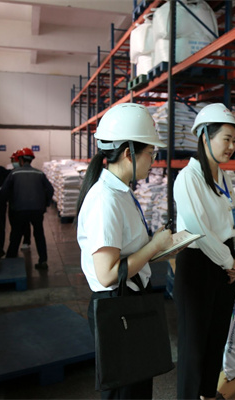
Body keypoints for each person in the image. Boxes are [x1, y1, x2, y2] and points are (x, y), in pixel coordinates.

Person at [76, 103, 173, 399]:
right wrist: (154, 246)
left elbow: (126, 250)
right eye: (150, 154)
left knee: (138, 387)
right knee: (125, 392)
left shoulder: (121, 191)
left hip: (130, 299)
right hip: (117, 305)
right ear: (130, 153)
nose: (153, 161)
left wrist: (158, 246)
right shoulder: (105, 200)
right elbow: (107, 274)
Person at [173, 103, 235, 400]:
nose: (231, 146)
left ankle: (207, 393)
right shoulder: (188, 178)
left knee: (217, 335)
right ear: (205, 136)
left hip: (226, 264)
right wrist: (230, 261)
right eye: (226, 139)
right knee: (193, 342)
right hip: (198, 264)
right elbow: (198, 229)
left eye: (234, 140)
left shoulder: (223, 177)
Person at [1, 147, 53, 269]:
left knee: (16, 235)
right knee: (39, 235)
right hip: (37, 210)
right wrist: (45, 204)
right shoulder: (39, 173)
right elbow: (50, 190)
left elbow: (4, 190)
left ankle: (10, 260)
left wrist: (10, 203)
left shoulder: (14, 173)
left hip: (19, 209)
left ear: (20, 160)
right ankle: (43, 261)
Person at [7, 150, 32, 250]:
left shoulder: (19, 173)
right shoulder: (11, 173)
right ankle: (15, 243)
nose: (13, 162)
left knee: (23, 224)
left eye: (14, 160)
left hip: (21, 204)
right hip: (15, 203)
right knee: (15, 224)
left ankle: (24, 242)